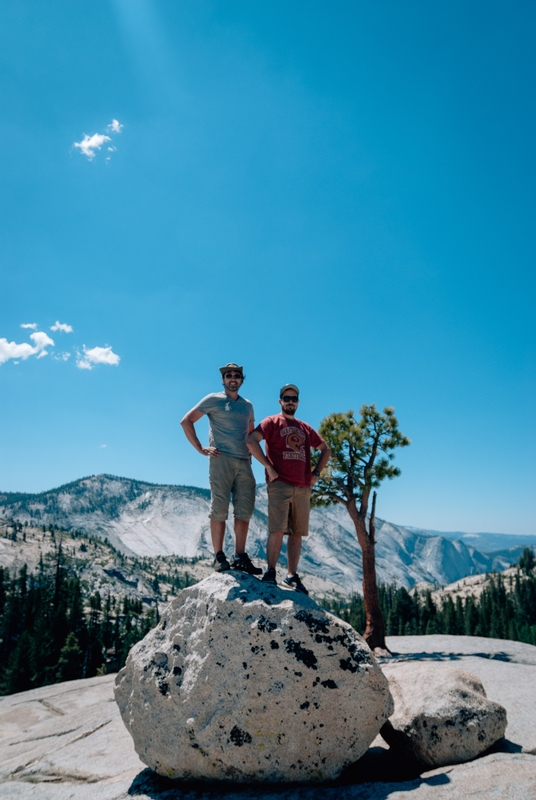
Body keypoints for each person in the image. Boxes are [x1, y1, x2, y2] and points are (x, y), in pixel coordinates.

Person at [246, 384, 331, 594]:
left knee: (297, 533)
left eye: (294, 398)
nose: (290, 401)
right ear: (280, 401)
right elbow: (251, 440)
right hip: (279, 484)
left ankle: (292, 575)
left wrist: (316, 473)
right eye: (286, 398)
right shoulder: (271, 422)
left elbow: (325, 449)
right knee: (276, 529)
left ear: (298, 402)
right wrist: (268, 466)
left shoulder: (304, 428)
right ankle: (271, 572)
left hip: (302, 486)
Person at [180, 363, 261, 575]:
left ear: (242, 379)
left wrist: (252, 454)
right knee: (219, 508)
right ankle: (218, 557)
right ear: (223, 380)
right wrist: (200, 448)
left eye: (236, 375)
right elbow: (186, 421)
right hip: (221, 458)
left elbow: (251, 433)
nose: (232, 379)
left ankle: (240, 556)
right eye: (228, 376)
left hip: (244, 461)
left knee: (245, 509)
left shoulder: (247, 406)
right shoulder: (212, 400)